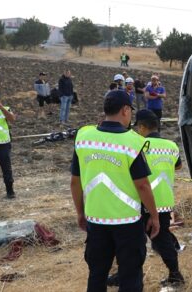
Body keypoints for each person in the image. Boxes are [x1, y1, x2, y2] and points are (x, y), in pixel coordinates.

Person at [70, 90, 160, 291]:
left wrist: (80, 213)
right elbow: (143, 185)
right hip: (127, 222)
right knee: (130, 275)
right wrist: (154, 216)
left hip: (95, 220)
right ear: (125, 110)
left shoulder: (84, 137)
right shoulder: (133, 142)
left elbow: (74, 182)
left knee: (97, 274)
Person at [107, 109, 185, 287]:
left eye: (138, 127)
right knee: (162, 238)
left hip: (140, 201)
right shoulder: (171, 146)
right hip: (164, 202)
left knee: (129, 240)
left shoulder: (138, 144)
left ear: (142, 127)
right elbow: (178, 167)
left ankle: (126, 274)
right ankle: (174, 273)